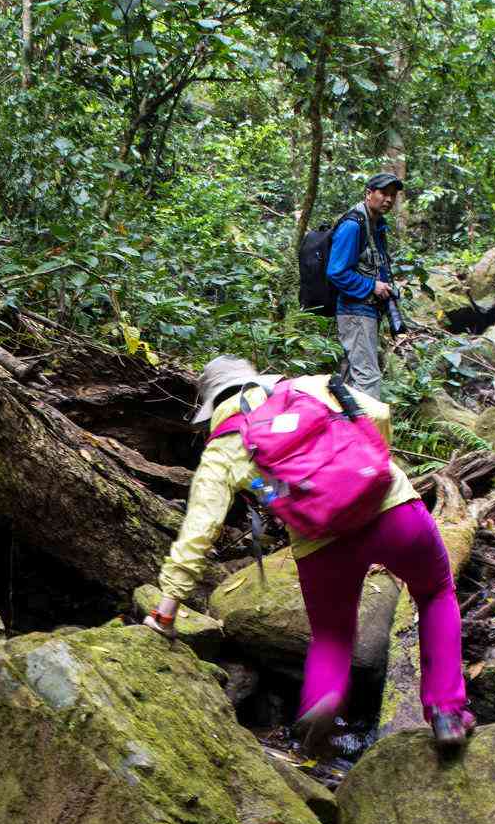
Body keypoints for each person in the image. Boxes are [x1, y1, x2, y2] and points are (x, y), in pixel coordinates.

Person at [143, 355, 474, 750]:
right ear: (256, 379)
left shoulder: (223, 449)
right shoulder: (310, 387)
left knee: (332, 636)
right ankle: (447, 713)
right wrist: (366, 474)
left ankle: (322, 702)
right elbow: (377, 413)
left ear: (213, 405)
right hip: (394, 512)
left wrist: (167, 609)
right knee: (435, 593)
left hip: (321, 544)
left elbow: (199, 530)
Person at [299, 173, 404, 398]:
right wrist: (372, 286)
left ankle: (343, 429)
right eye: (383, 193)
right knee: (368, 378)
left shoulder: (376, 224)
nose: (388, 199)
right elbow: (336, 271)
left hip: (366, 311)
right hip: (355, 311)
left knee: (352, 377)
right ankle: (368, 432)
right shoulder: (353, 225)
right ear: (368, 194)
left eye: (392, 195)